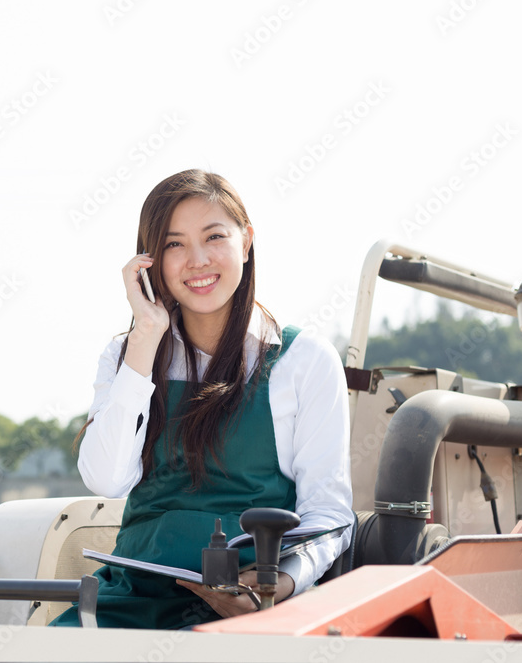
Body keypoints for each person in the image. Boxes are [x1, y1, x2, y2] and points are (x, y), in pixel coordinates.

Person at [50, 169, 353, 630]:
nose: (196, 260)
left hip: (249, 605)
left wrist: (273, 588)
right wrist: (146, 336)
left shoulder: (304, 360)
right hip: (131, 596)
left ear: (246, 242)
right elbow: (106, 480)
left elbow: (329, 514)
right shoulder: (126, 354)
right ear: (149, 260)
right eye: (174, 244)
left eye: (214, 237)